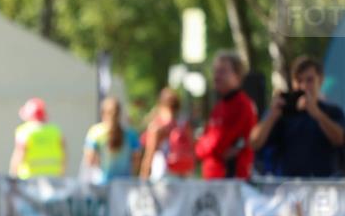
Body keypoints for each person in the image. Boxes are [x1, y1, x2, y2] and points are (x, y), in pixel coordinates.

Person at [249, 56, 345, 178]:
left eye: (309, 80)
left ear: (320, 80)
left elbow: (340, 139)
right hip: (288, 186)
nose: (304, 86)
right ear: (293, 83)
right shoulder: (282, 113)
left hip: (324, 187)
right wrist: (272, 115)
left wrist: (317, 114)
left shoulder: (332, 111)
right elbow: (254, 143)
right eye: (299, 81)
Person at [194, 51, 258, 180]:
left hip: (231, 180)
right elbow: (202, 146)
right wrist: (202, 147)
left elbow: (219, 142)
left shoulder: (242, 105)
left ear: (237, 76)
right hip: (214, 179)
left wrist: (203, 147)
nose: (217, 76)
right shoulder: (219, 106)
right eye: (216, 71)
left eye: (222, 71)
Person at [80, 97, 141, 183]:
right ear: (119, 114)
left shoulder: (95, 132)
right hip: (125, 184)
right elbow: (136, 159)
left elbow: (89, 159)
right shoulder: (131, 134)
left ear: (102, 113)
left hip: (102, 183)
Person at [139, 87, 195, 180]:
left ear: (160, 104)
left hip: (163, 174)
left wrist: (143, 177)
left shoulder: (157, 126)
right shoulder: (184, 123)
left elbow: (149, 154)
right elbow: (192, 148)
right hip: (185, 173)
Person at [9, 97, 66, 178]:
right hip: (53, 178)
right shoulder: (55, 131)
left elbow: (19, 155)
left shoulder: (24, 131)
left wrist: (13, 176)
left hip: (29, 180)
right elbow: (63, 155)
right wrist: (61, 174)